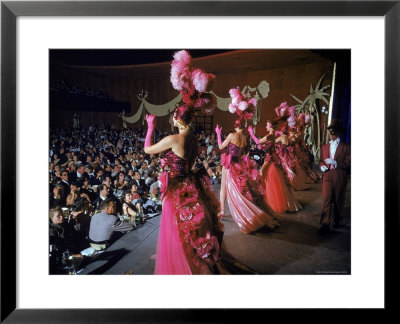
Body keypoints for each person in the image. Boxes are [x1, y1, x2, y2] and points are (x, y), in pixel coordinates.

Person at [143, 50, 224, 274]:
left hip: (177, 188)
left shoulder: (174, 138)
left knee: (177, 228)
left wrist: (150, 127)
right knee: (188, 229)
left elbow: (148, 149)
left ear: (178, 118)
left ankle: (179, 263)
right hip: (191, 184)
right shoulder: (194, 139)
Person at [214, 87, 279, 234]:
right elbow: (246, 151)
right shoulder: (245, 137)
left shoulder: (231, 135)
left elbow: (219, 146)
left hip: (230, 164)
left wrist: (218, 133)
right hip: (239, 164)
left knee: (225, 186)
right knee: (241, 188)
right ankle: (230, 209)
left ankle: (223, 210)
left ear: (235, 125)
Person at [248, 121, 302, 214]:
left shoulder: (270, 135)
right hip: (272, 158)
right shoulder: (272, 135)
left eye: (266, 125)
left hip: (270, 159)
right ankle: (266, 201)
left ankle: (264, 202)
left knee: (263, 177)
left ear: (270, 126)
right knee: (268, 179)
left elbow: (257, 141)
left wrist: (251, 133)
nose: (265, 126)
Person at [318, 119, 350, 235]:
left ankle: (337, 219)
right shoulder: (324, 147)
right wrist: (322, 166)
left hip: (339, 174)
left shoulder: (346, 147)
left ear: (338, 133)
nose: (330, 133)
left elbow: (348, 163)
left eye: (333, 131)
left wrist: (336, 163)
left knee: (337, 199)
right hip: (327, 175)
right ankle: (325, 224)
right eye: (330, 131)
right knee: (326, 199)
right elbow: (321, 161)